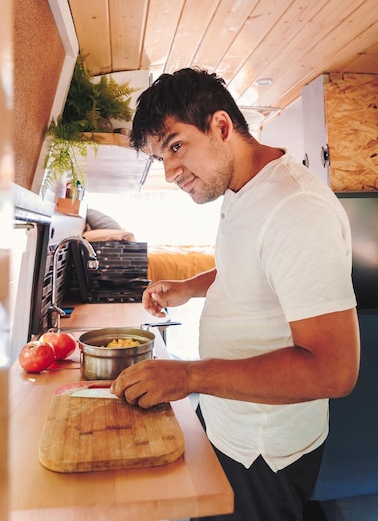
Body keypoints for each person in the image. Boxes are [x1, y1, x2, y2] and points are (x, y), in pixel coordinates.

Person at [110, 68, 360, 521]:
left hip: (264, 450)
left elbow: (334, 370)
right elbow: (248, 268)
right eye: (160, 157)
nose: (170, 172)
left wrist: (187, 377)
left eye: (175, 146)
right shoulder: (241, 185)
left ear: (221, 127)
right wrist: (188, 287)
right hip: (227, 417)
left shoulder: (297, 210)